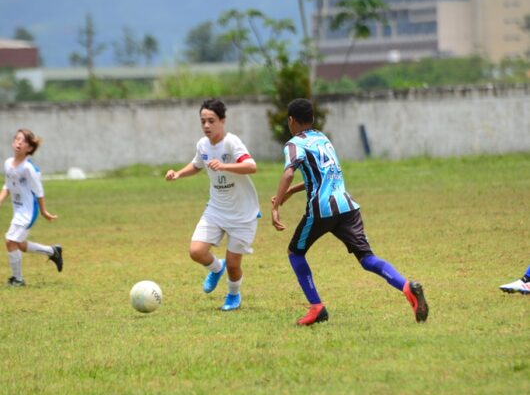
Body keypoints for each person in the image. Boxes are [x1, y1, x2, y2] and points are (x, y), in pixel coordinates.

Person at [271, 98, 428, 326]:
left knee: (295, 252)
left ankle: (317, 307)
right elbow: (322, 175)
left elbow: (288, 173)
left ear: (291, 121)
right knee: (367, 258)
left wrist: (275, 207)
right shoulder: (323, 139)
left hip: (322, 210)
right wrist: (293, 192)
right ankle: (407, 287)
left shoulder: (294, 144)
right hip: (347, 206)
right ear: (313, 119)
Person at [165, 98, 260, 311]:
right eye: (203, 121)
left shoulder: (231, 142)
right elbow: (197, 165)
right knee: (196, 251)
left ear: (222, 121)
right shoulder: (202, 145)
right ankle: (217, 269)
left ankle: (233, 296)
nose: (207, 125)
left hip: (242, 213)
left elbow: (251, 166)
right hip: (216, 209)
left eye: (211, 120)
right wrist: (178, 174)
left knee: (234, 265)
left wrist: (225, 165)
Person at [0, 129, 63, 286]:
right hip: (18, 210)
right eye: (17, 139)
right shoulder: (8, 163)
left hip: (28, 212)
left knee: (10, 241)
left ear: (30, 148)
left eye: (23, 141)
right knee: (19, 244)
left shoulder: (29, 169)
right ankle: (52, 251)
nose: (19, 142)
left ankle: (18, 279)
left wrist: (43, 211)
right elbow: (7, 185)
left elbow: (39, 192)